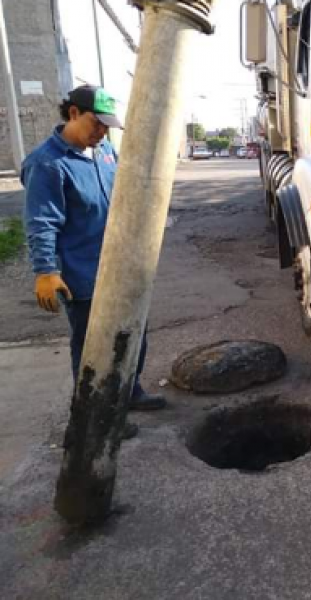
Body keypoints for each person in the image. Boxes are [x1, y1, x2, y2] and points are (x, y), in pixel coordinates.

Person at [22, 85, 166, 439]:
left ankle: (127, 393)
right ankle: (93, 417)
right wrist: (46, 271)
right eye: (96, 123)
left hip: (121, 266)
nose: (102, 131)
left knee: (134, 333)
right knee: (93, 347)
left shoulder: (103, 153)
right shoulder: (47, 164)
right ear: (73, 114)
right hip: (83, 274)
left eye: (106, 126)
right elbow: (42, 222)